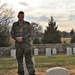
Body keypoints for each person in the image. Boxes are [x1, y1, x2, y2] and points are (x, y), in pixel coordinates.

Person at [11, 11, 36, 75]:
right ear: (18, 16)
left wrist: (23, 38)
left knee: (29, 60)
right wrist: (16, 38)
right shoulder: (14, 25)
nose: (21, 17)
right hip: (18, 45)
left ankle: (31, 73)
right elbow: (12, 33)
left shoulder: (27, 24)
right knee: (19, 60)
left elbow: (31, 32)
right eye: (20, 16)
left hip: (26, 45)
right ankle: (21, 73)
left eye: (23, 16)